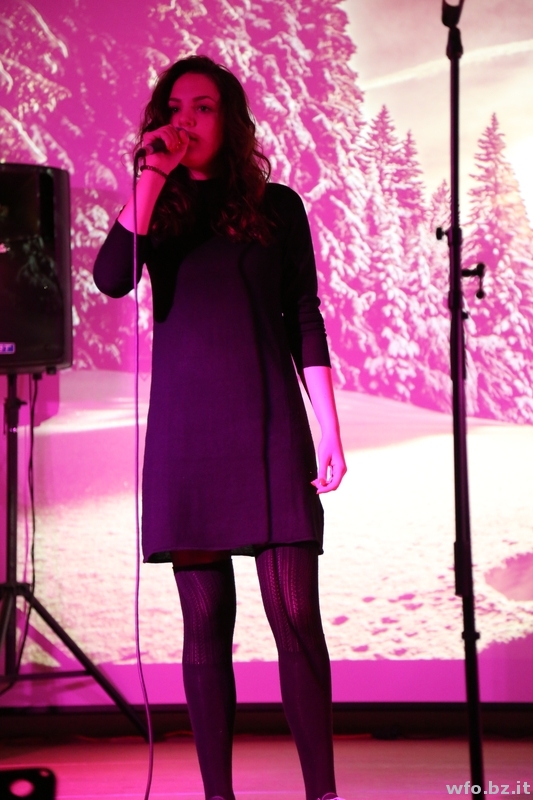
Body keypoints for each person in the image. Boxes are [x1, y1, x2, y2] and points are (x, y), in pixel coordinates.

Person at [93, 55, 347, 800]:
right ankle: (217, 797)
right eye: (175, 108)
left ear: (229, 118)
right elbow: (111, 278)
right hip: (188, 438)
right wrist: (150, 178)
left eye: (203, 107)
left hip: (269, 428)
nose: (187, 120)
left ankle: (323, 793)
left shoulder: (278, 206)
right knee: (205, 625)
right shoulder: (158, 210)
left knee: (295, 615)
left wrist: (328, 428)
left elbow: (304, 318)